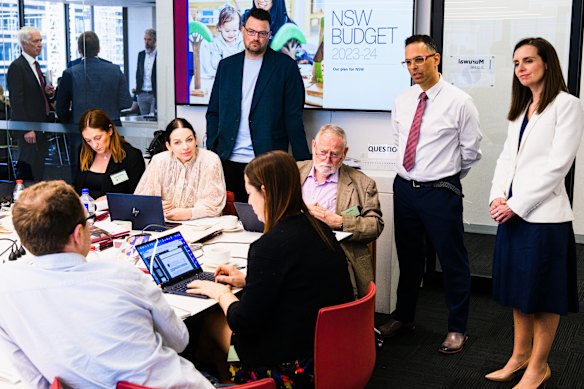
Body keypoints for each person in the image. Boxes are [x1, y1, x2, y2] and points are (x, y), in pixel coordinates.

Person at [0, 181, 214, 389]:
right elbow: (179, 342)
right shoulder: (121, 275)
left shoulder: (6, 290)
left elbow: (37, 381)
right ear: (78, 234)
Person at [186, 150, 353, 388]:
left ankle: (233, 377)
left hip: (287, 367)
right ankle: (225, 378)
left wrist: (221, 293)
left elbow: (243, 322)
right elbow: (300, 282)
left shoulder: (268, 247)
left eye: (250, 193)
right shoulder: (319, 229)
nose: (249, 201)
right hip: (326, 349)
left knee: (212, 318)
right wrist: (247, 281)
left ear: (264, 191)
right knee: (213, 339)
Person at [486, 37, 582, 388]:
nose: (521, 68)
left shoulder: (567, 105)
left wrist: (516, 204)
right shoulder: (523, 106)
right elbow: (506, 159)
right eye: (516, 63)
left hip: (544, 219)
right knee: (520, 291)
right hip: (513, 216)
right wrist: (498, 197)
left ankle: (538, 366)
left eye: (528, 60)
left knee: (544, 294)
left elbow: (558, 167)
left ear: (547, 63)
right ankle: (518, 356)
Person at [380, 34, 483, 354]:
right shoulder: (403, 99)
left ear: (435, 59)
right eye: (408, 62)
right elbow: (399, 139)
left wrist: (445, 174)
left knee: (452, 260)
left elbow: (471, 152)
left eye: (419, 60)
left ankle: (457, 328)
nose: (413, 67)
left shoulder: (459, 101)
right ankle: (404, 317)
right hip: (405, 189)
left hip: (440, 190)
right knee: (409, 258)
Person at [205, 8, 310, 203]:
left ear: (269, 35)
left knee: (265, 223)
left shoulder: (286, 68)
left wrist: (303, 164)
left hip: (266, 163)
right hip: (228, 162)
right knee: (229, 220)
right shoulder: (227, 66)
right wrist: (213, 149)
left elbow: (293, 119)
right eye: (251, 31)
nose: (256, 38)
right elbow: (214, 113)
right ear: (243, 31)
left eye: (262, 33)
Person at [298, 124, 383, 298]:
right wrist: (302, 212)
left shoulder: (363, 184)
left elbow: (375, 225)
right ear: (313, 146)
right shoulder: (293, 171)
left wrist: (339, 221)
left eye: (335, 154)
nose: (327, 159)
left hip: (336, 253)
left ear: (345, 152)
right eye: (322, 152)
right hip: (295, 246)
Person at [135, 118, 226, 221]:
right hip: (164, 224)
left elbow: (214, 205)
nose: (185, 147)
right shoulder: (159, 160)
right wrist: (154, 206)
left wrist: (188, 213)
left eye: (189, 140)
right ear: (168, 146)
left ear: (196, 139)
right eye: (177, 142)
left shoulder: (210, 160)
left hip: (201, 226)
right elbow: (140, 201)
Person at [6, 26, 55, 181]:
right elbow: (17, 101)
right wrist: (26, 128)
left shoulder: (36, 65)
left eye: (40, 40)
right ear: (24, 44)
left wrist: (46, 93)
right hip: (29, 129)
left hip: (41, 126)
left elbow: (34, 96)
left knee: (39, 169)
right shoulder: (17, 67)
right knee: (27, 170)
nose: (40, 44)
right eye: (35, 41)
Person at [56, 31, 133, 126]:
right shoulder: (115, 70)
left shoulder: (70, 73)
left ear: (79, 50)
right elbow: (126, 103)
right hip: (111, 126)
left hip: (82, 127)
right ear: (98, 49)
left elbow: (61, 109)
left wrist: (74, 121)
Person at [74, 109, 145, 201]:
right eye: (88, 140)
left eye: (98, 138)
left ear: (110, 130)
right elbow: (77, 187)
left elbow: (138, 194)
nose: (94, 145)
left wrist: (110, 200)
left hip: (117, 212)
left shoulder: (131, 156)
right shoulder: (83, 151)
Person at [201, 6, 244, 77]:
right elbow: (215, 63)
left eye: (235, 30)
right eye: (227, 31)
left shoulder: (241, 41)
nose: (231, 34)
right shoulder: (217, 43)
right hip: (223, 73)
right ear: (220, 27)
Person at [136, 28, 157, 116]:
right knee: (144, 120)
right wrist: (137, 93)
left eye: (149, 39)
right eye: (145, 39)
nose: (146, 42)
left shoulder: (159, 54)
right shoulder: (141, 55)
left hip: (154, 94)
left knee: (154, 119)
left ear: (155, 40)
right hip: (142, 94)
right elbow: (138, 74)